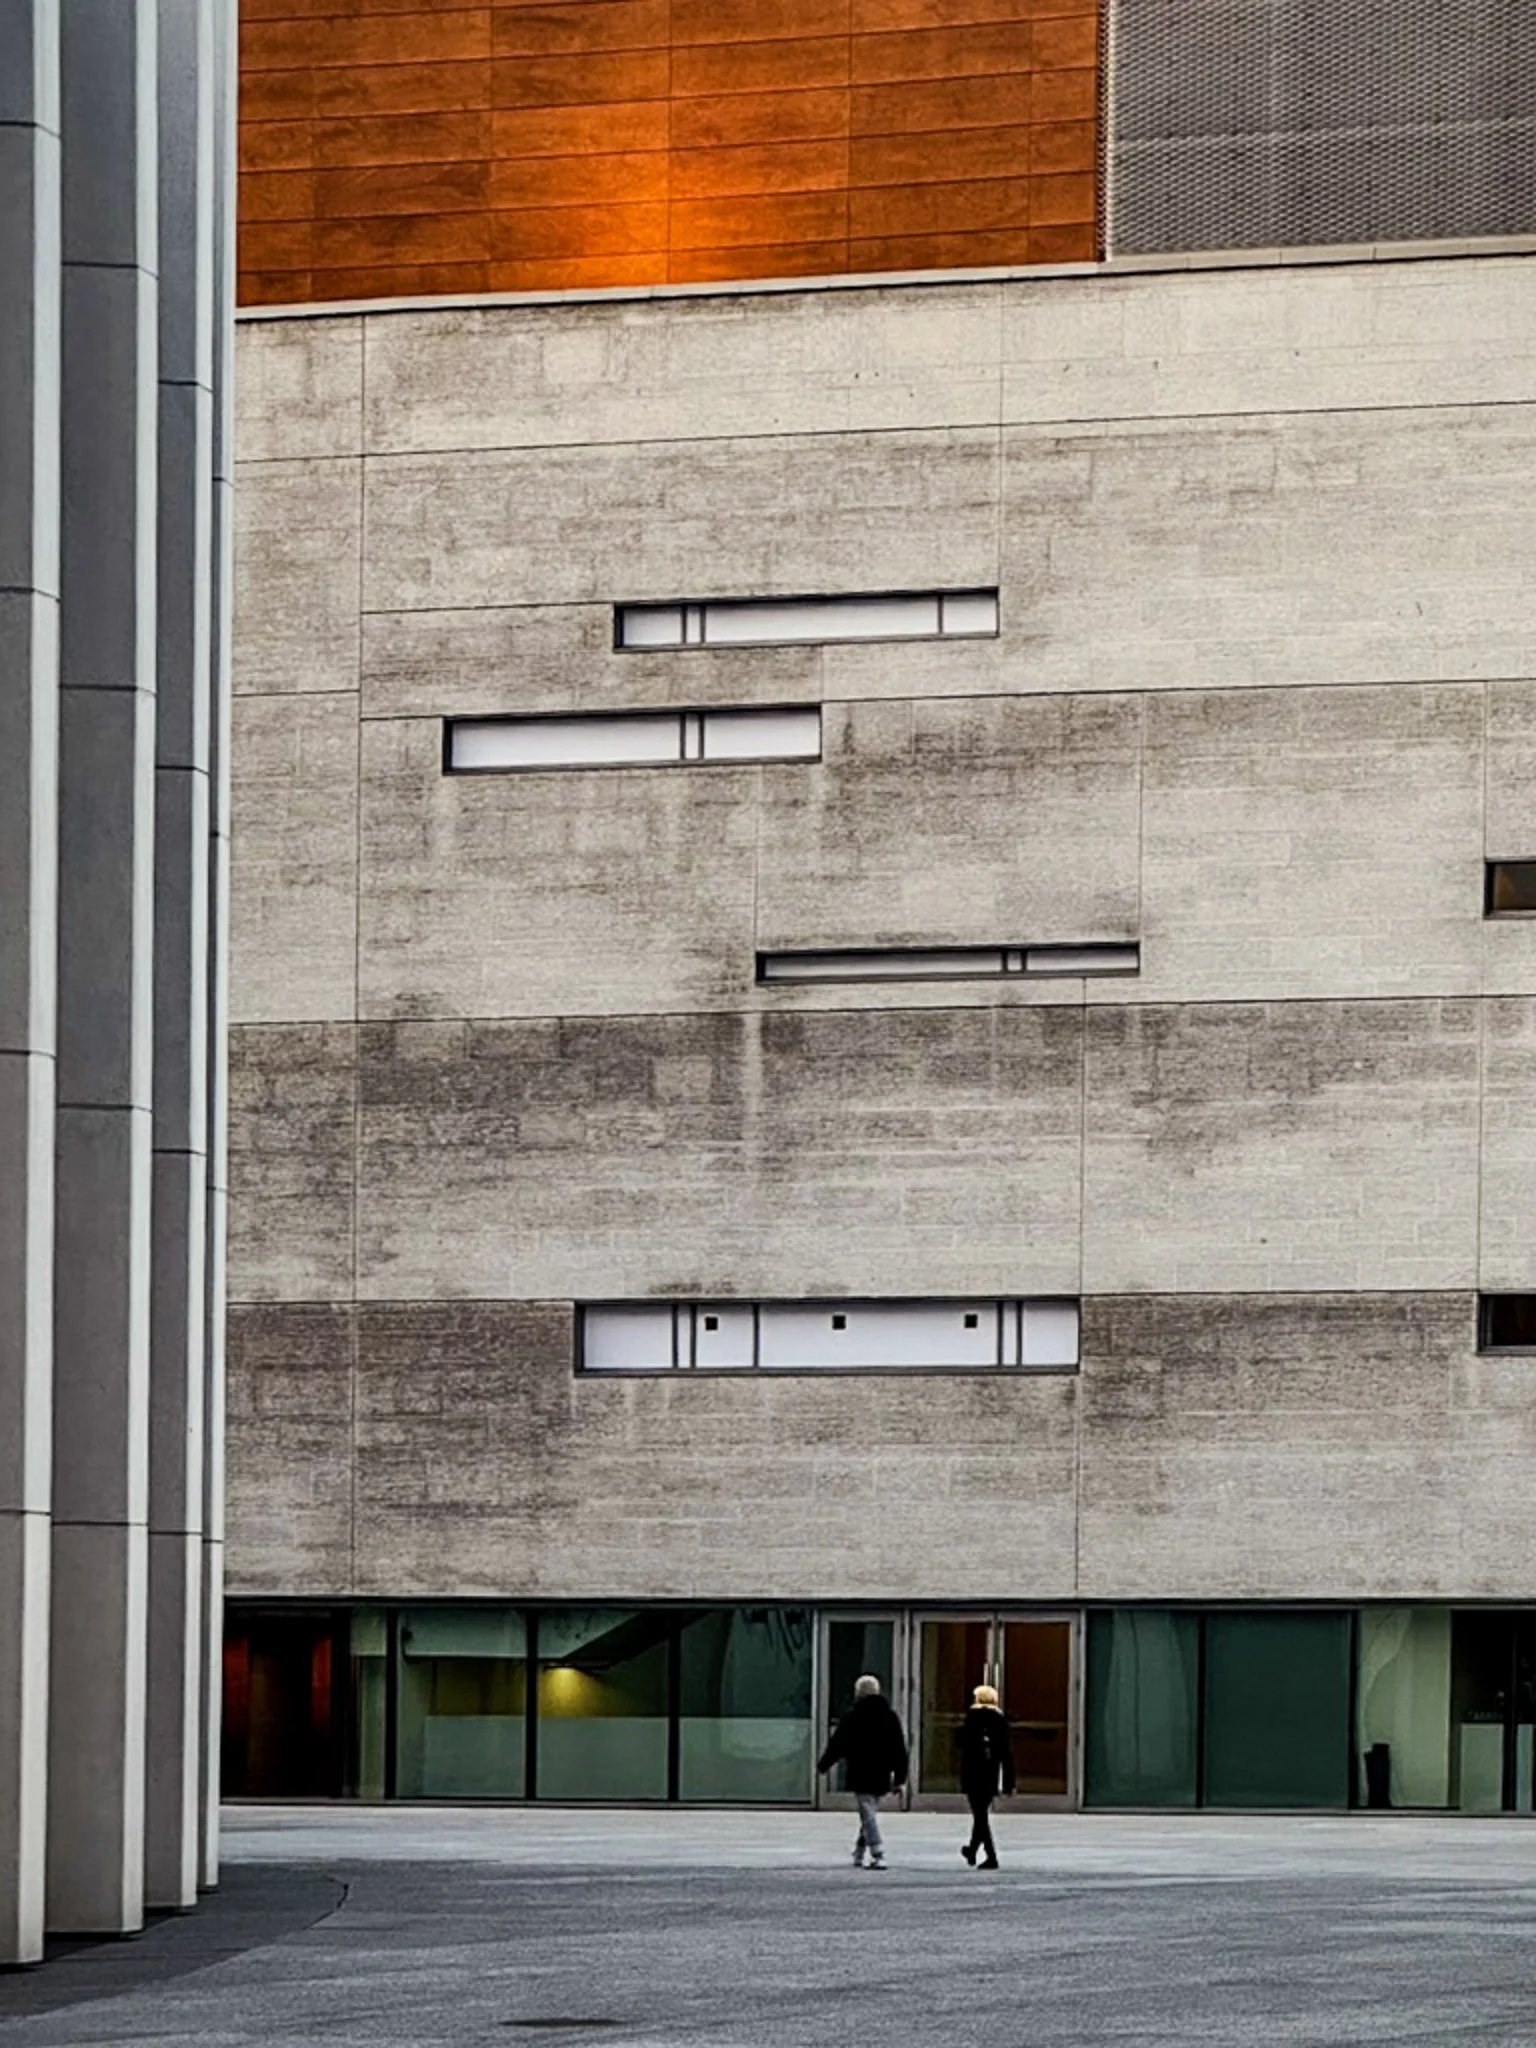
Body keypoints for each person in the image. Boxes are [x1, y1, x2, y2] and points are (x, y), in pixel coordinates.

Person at [817, 1674, 909, 1869]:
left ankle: (878, 1852)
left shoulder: (853, 1716)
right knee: (869, 1811)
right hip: (882, 1772)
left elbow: (837, 1744)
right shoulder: (890, 1716)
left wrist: (823, 1765)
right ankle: (859, 1852)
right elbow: (899, 1748)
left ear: (858, 1693)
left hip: (861, 1771)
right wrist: (900, 1776)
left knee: (867, 1813)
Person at [958, 1682, 1014, 1869]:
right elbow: (1006, 1754)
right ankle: (973, 1850)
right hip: (991, 1774)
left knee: (979, 1815)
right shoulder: (1000, 1721)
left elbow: (961, 1744)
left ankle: (990, 1855)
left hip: (972, 1773)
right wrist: (1008, 1782)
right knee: (981, 1814)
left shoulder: (971, 1719)